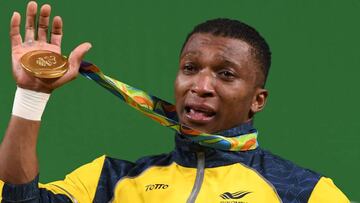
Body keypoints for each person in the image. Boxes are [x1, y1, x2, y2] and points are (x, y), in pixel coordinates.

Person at [0, 1, 350, 203]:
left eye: (225, 74)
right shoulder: (110, 181)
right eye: (190, 68)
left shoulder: (304, 191)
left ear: (258, 100)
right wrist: (32, 95)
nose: (201, 85)